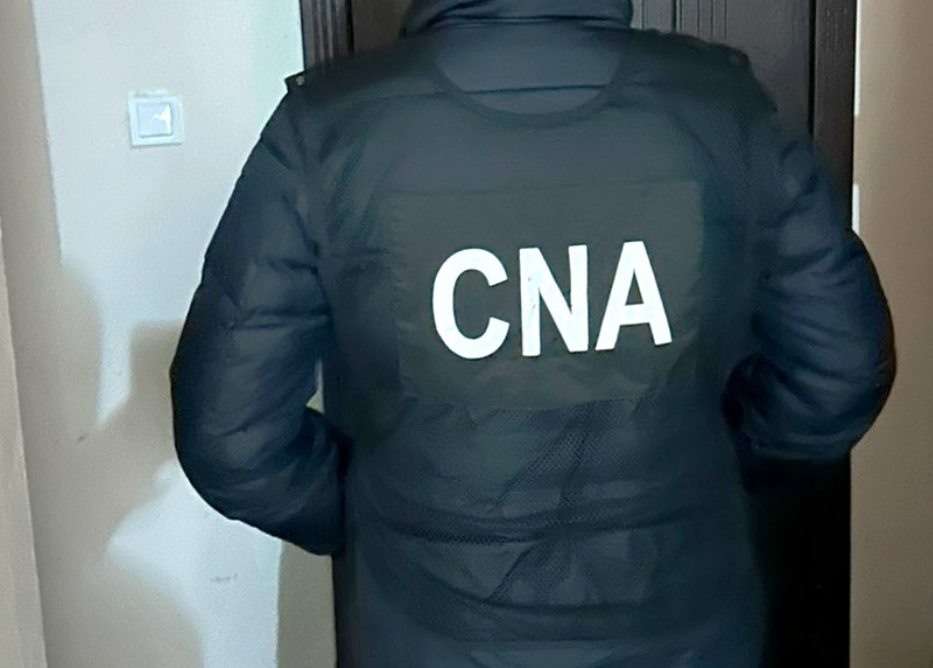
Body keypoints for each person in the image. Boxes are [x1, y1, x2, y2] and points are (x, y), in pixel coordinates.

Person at [169, 0, 896, 665]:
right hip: (686, 624)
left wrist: (368, 517)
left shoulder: (329, 127)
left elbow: (232, 437)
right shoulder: (725, 107)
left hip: (432, 632)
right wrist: (722, 472)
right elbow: (839, 372)